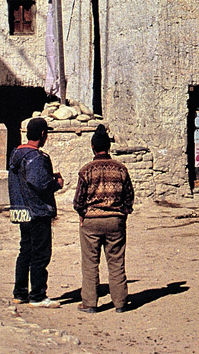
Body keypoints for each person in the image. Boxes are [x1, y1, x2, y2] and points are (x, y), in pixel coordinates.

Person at [73, 127, 135, 314]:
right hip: (115, 222)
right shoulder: (121, 169)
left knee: (90, 263)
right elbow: (129, 197)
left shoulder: (86, 170)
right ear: (109, 147)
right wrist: (123, 213)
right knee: (116, 262)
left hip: (91, 222)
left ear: (92, 147)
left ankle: (90, 303)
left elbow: (78, 201)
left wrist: (83, 213)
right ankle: (121, 303)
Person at [8, 117, 64, 308]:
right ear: (42, 135)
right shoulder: (36, 157)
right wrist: (56, 183)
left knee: (25, 250)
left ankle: (20, 292)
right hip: (37, 211)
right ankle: (38, 295)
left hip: (22, 211)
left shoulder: (17, 154)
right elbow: (39, 183)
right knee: (40, 253)